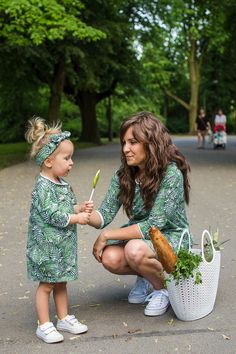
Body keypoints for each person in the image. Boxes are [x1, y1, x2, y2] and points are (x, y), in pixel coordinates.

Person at [88, 111, 192, 317]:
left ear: (151, 143)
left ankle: (164, 289)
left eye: (133, 142)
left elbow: (153, 224)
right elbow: (103, 215)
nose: (125, 149)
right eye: (124, 142)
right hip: (142, 240)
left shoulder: (170, 174)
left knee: (134, 250)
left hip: (170, 238)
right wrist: (82, 214)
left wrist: (107, 235)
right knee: (109, 257)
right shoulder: (124, 175)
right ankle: (147, 275)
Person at [25, 117, 93, 344]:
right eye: (67, 158)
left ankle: (63, 318)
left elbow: (64, 208)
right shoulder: (42, 186)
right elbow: (52, 215)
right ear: (48, 162)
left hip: (61, 246)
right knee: (46, 284)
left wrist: (79, 207)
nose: (71, 162)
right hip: (47, 247)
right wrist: (77, 218)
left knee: (61, 281)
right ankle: (44, 325)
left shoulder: (61, 183)